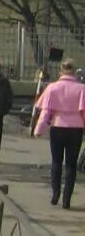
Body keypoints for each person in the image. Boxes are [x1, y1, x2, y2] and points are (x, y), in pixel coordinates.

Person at [32, 58, 85, 209]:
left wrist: (38, 129)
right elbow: (84, 112)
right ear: (74, 72)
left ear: (60, 71)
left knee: (56, 162)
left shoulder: (52, 88)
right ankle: (67, 199)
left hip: (57, 126)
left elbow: (45, 111)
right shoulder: (82, 89)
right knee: (71, 165)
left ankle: (55, 194)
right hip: (75, 130)